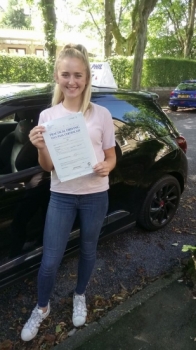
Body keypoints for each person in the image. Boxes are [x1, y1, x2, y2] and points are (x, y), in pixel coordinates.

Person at [21, 43, 116, 342]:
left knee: (88, 250)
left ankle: (79, 295)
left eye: (78, 75)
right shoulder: (47, 117)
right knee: (50, 259)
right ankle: (42, 307)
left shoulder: (101, 114)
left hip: (95, 194)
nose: (72, 81)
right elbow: (48, 167)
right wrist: (40, 147)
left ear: (86, 77)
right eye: (66, 74)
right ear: (57, 76)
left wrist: (107, 167)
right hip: (61, 194)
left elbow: (112, 156)